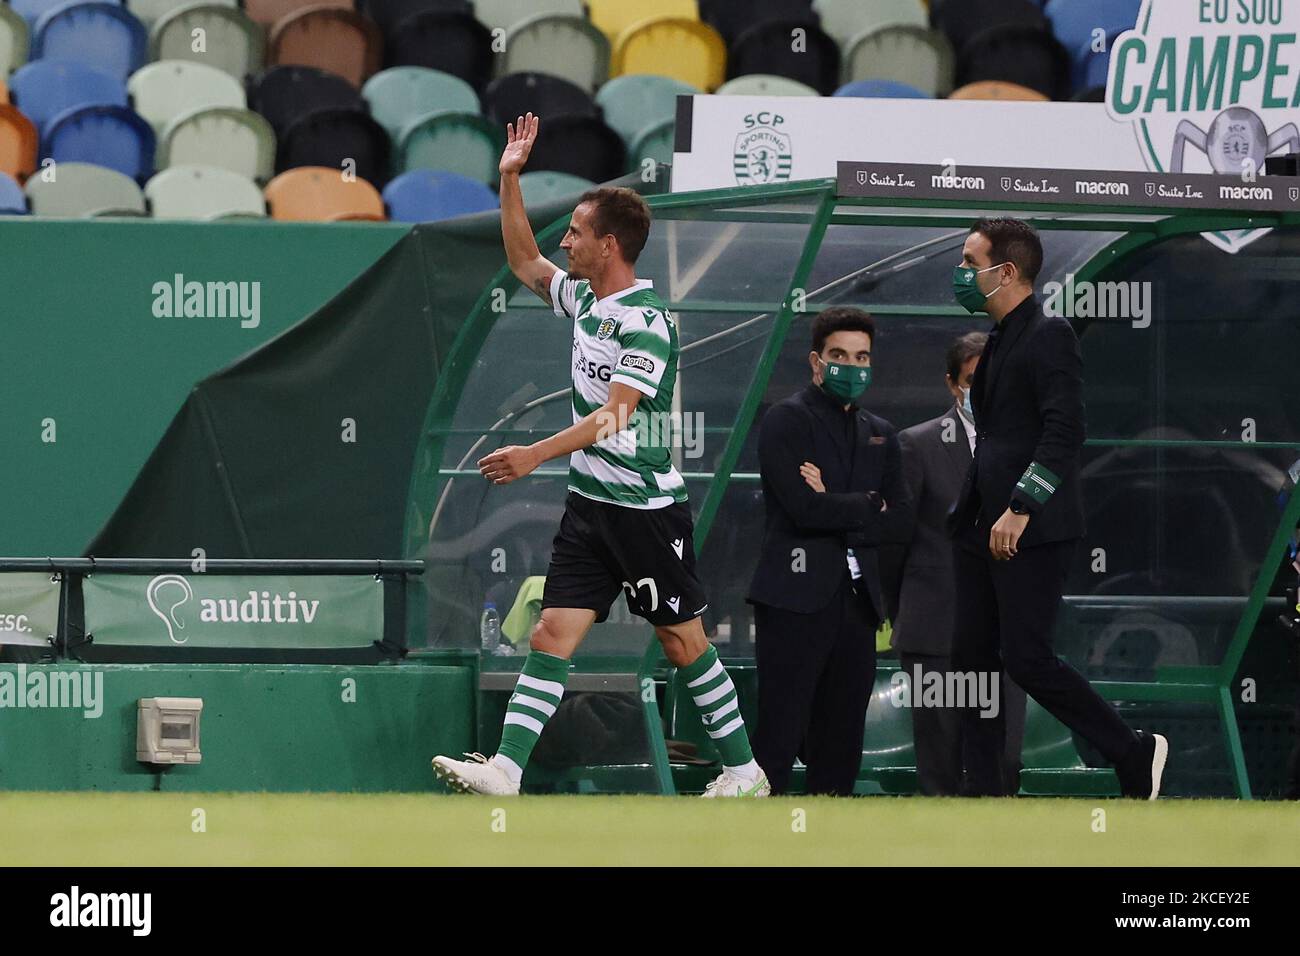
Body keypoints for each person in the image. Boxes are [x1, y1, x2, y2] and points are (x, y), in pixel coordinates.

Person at [432, 113, 770, 797]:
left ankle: (744, 772)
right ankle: (505, 770)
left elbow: (615, 416)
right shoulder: (586, 299)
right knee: (552, 632)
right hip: (591, 509)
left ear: (609, 245)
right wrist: (508, 179)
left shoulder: (646, 322)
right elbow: (524, 260)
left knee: (683, 645)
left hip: (644, 512)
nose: (567, 241)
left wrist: (535, 454)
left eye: (578, 233)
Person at [946, 217, 1168, 799]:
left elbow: (1065, 429)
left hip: (1029, 529)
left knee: (1026, 656)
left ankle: (1130, 749)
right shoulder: (997, 340)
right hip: (979, 526)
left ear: (1007, 272)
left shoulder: (1050, 333)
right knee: (971, 659)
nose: (962, 274)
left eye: (971, 263)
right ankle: (984, 787)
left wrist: (1021, 506)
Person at [746, 307, 912, 795]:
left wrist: (834, 497)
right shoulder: (786, 419)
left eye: (862, 357)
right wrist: (866, 502)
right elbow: (802, 510)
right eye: (840, 355)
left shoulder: (880, 432)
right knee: (780, 732)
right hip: (794, 600)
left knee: (842, 741)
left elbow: (900, 520)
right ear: (816, 362)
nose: (852, 366)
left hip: (859, 607)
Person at [890, 331, 1028, 795]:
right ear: (954, 384)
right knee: (942, 763)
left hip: (1007, 632)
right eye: (974, 379)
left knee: (1004, 760)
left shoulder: (1030, 451)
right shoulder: (916, 444)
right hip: (936, 631)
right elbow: (895, 542)